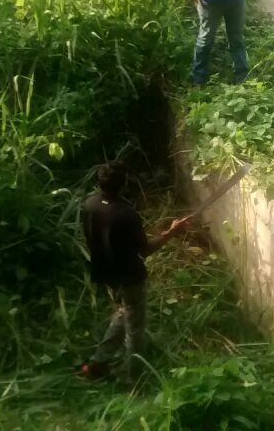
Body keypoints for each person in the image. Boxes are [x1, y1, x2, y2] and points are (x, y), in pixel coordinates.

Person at [78, 160, 190, 381]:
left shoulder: (89, 204)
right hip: (129, 277)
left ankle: (99, 362)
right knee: (135, 331)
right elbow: (145, 251)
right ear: (124, 184)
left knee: (124, 311)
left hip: (107, 274)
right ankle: (134, 379)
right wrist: (172, 232)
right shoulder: (125, 213)